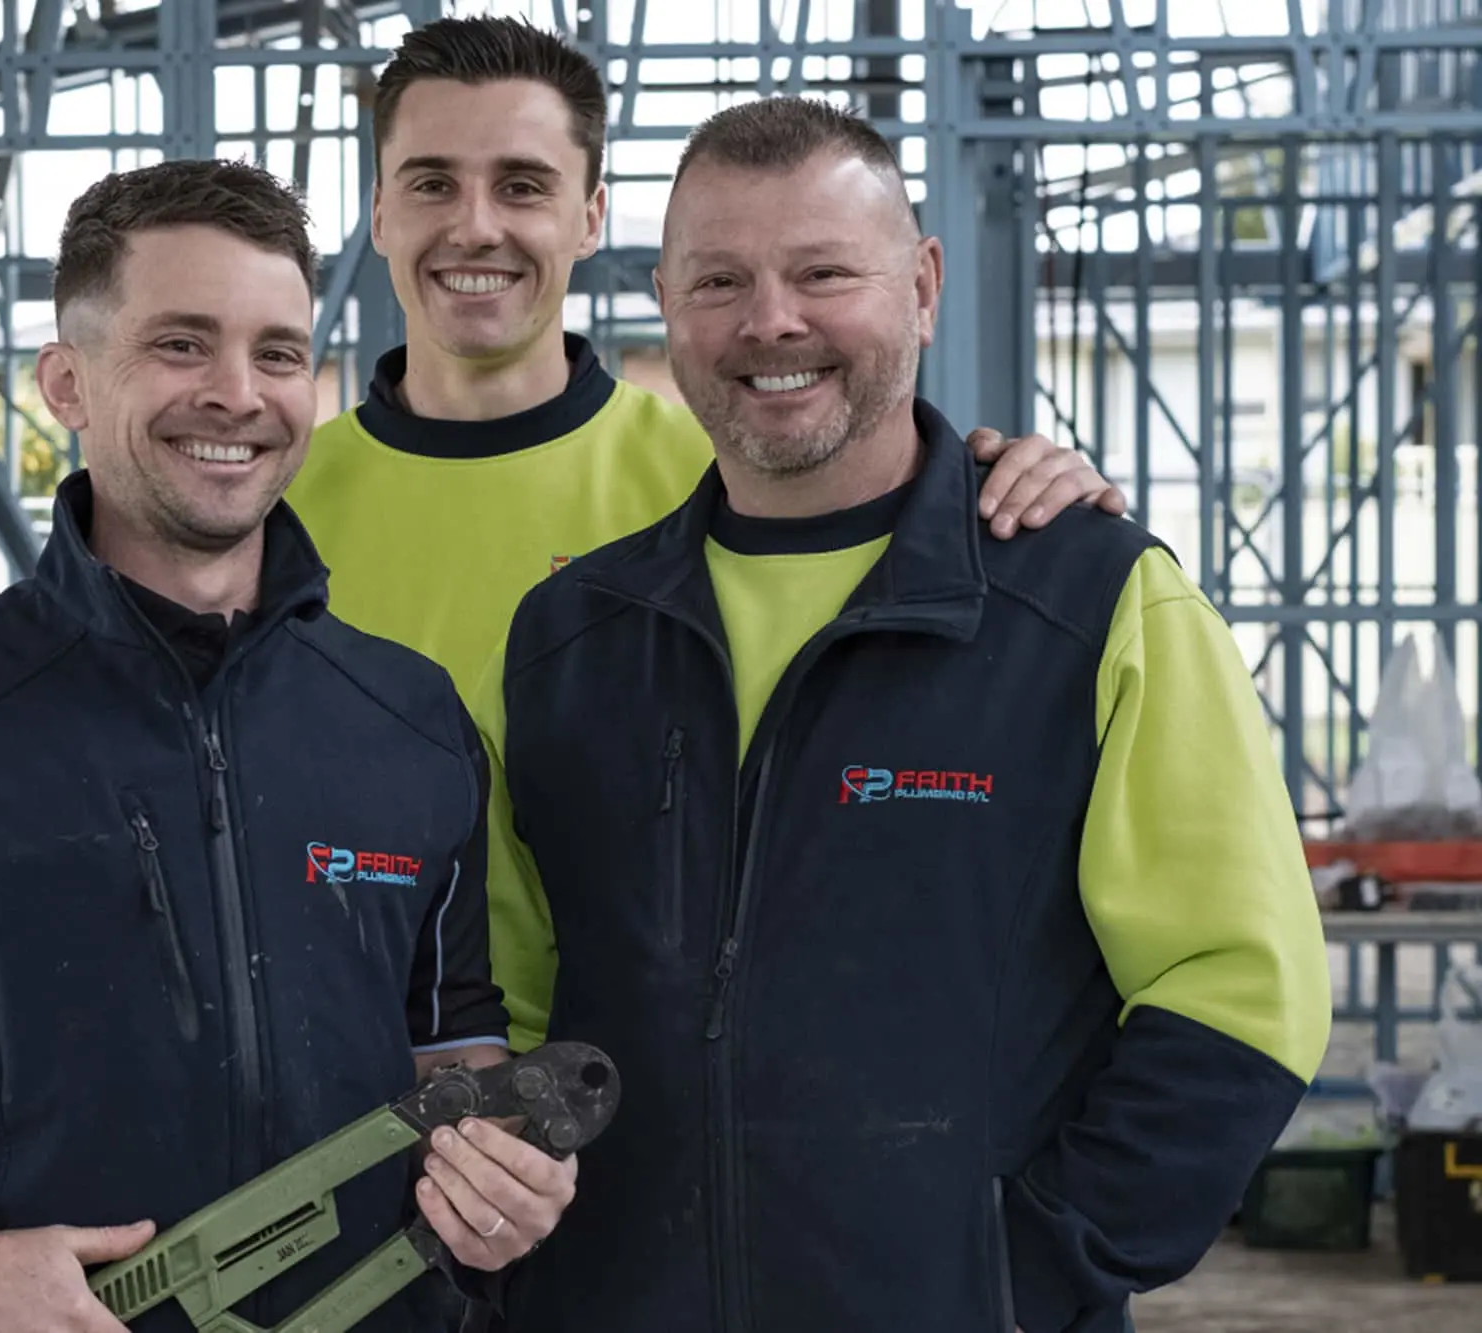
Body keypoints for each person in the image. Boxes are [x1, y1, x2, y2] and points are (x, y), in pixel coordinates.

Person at [473, 98, 1333, 1333]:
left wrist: (1029, 1271)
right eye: (720, 279)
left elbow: (1238, 989)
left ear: (922, 285)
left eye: (823, 272)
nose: (770, 321)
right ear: (663, 299)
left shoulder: (1087, 605)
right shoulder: (571, 640)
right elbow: (504, 1008)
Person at [0, 159, 576, 1333]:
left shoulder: (408, 716)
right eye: (179, 344)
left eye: (275, 353)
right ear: (67, 380)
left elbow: (444, 1045)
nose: (236, 393)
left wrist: (498, 1177)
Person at [285, 14, 1126, 717]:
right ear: (380, 213)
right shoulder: (275, 507)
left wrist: (1011, 488)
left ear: (590, 218)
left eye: (522, 186)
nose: (475, 227)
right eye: (432, 184)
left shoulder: (734, 474)